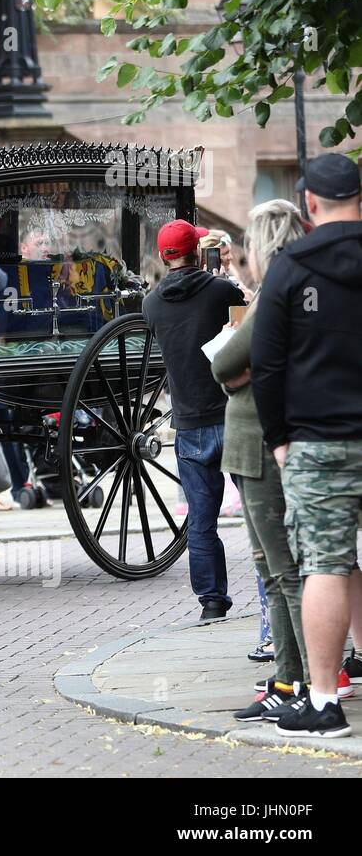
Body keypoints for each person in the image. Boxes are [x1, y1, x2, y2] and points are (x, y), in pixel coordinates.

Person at [251, 154, 362, 739]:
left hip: (318, 442)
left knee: (325, 564)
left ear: (310, 204)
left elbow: (265, 365)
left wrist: (278, 440)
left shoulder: (290, 267)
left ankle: (323, 702)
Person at [214, 200, 310, 724]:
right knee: (273, 570)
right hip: (259, 442)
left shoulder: (277, 293)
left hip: (259, 443)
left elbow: (226, 363)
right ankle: (288, 676)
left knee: (282, 571)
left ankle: (306, 679)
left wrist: (243, 367)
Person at [142, 219, 244, 621]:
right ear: (198, 251)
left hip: (189, 423)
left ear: (162, 255)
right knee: (257, 512)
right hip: (231, 415)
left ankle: (212, 601)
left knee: (201, 521)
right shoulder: (221, 290)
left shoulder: (150, 304)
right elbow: (242, 323)